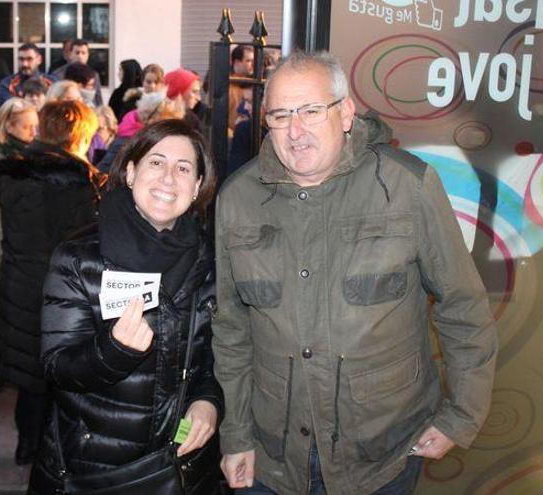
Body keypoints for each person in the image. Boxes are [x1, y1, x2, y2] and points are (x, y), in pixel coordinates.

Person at [212, 51, 498, 495]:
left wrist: (461, 415)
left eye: (310, 110)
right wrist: (236, 434)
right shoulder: (238, 199)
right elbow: (231, 329)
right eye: (281, 115)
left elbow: (463, 305)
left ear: (345, 113)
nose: (296, 130)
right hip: (273, 457)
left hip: (383, 456)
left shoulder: (406, 185)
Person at [29, 119, 223, 494]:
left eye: (184, 169)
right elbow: (56, 367)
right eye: (156, 162)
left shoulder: (208, 260)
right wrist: (113, 352)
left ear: (197, 186)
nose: (169, 178)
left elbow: (212, 358)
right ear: (131, 171)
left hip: (179, 469)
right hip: (96, 470)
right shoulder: (78, 258)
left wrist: (208, 401)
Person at [0, 100, 104, 466]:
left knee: (29, 377)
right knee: (61, 379)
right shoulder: (84, 185)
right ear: (80, 135)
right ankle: (54, 456)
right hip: (64, 295)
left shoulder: (10, 176)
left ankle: (26, 444)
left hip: (18, 287)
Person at [0, 98, 39, 312]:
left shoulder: (31, 154)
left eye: (35, 126)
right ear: (8, 125)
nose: (33, 132)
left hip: (19, 232)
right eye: (26, 127)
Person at [95, 92, 184, 173]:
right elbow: (101, 173)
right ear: (150, 119)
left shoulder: (144, 140)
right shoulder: (126, 143)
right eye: (164, 124)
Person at [0, 43, 56, 107]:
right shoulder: (7, 84)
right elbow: (9, 108)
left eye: (29, 59)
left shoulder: (53, 83)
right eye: (21, 59)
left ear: (39, 60)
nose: (25, 64)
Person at [50, 38, 104, 106]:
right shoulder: (58, 74)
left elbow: (98, 100)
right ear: (70, 54)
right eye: (77, 52)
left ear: (88, 55)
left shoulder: (94, 75)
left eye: (83, 53)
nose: (80, 56)